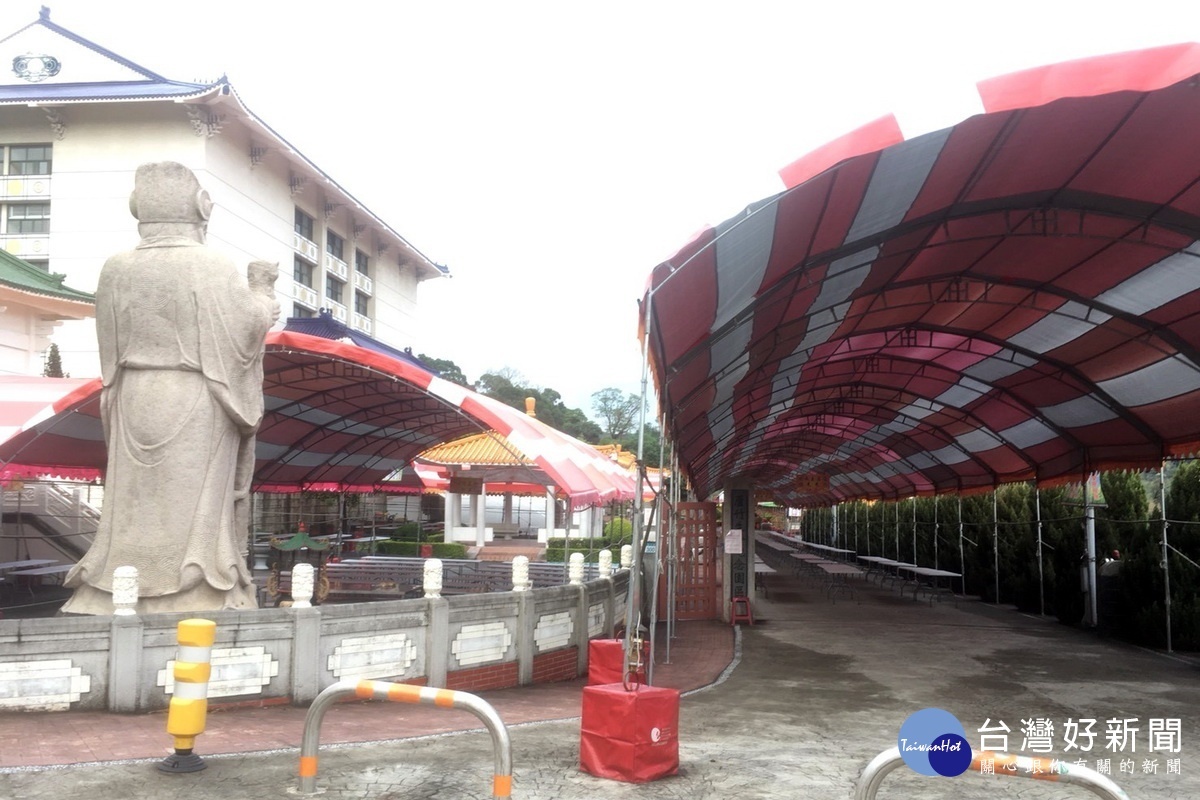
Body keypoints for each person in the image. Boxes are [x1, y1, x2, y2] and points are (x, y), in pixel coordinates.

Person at [62, 162, 279, 614]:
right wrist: (262, 290)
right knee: (197, 501)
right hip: (195, 392)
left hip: (131, 393)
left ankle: (111, 586)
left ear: (138, 207)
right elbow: (243, 330)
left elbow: (108, 340)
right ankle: (200, 582)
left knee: (132, 501)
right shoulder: (209, 264)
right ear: (201, 207)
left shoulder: (116, 267)